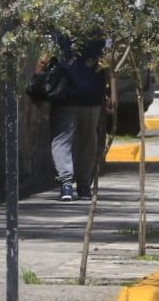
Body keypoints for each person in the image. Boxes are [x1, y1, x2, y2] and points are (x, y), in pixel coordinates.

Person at [41, 34, 114, 202]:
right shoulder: (100, 32)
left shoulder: (59, 31)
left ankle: (66, 183)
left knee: (61, 140)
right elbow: (108, 64)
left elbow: (44, 58)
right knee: (88, 141)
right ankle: (83, 186)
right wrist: (112, 93)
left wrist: (37, 83)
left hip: (65, 94)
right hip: (92, 95)